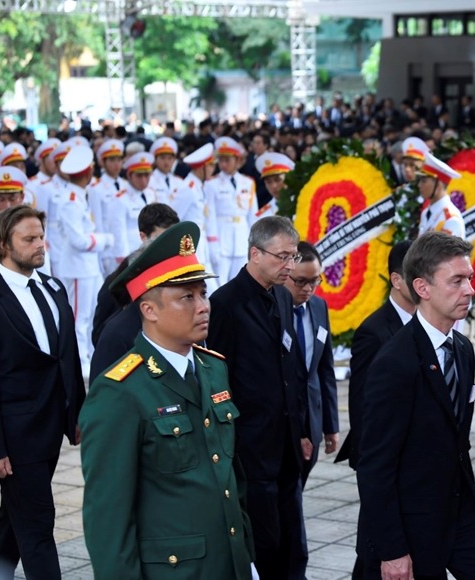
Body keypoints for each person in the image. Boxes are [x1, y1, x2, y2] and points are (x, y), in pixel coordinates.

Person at [79, 221, 258, 579]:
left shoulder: (212, 368)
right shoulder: (119, 390)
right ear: (149, 310)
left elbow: (229, 478)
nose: (203, 306)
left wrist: (246, 560)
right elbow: (108, 517)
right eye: (186, 297)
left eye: (203, 293)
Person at [357, 232, 475, 580]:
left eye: (470, 279)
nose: (469, 289)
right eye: (456, 281)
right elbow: (375, 464)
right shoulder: (394, 362)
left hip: (460, 511)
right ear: (423, 288)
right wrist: (392, 550)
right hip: (410, 523)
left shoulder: (462, 349)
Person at [207, 216, 307, 578]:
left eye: (293, 257)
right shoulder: (225, 304)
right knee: (263, 541)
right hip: (250, 444)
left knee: (293, 540)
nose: (290, 266)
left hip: (286, 445)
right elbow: (218, 380)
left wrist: (302, 428)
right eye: (282, 257)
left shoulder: (282, 295)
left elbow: (290, 366)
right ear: (255, 253)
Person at [0, 205, 85, 579]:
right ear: (2, 244)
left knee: (15, 519)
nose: (39, 245)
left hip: (52, 427)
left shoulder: (52, 286)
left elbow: (68, 356)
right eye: (29, 239)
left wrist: (77, 414)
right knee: (37, 527)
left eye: (41, 237)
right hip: (16, 439)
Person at [335, 240, 414, 579]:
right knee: (375, 545)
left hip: (414, 460)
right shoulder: (374, 331)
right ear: (397, 280)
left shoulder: (434, 322)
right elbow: (363, 409)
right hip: (382, 459)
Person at [89, 203, 180, 381]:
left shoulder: (181, 281)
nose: (168, 248)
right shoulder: (117, 283)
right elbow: (103, 339)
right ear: (143, 237)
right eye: (160, 239)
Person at [281, 241, 339, 485]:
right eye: (300, 281)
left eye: (314, 281)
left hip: (313, 418)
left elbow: (325, 369)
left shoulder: (318, 306)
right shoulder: (273, 310)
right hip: (284, 423)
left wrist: (331, 425)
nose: (308, 288)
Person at [57, 145, 115, 375]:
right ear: (88, 172)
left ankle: (90, 357)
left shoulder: (79, 196)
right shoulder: (70, 199)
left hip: (88, 267)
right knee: (79, 319)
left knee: (91, 316)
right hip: (78, 267)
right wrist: (104, 240)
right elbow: (78, 240)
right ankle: (80, 363)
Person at [204, 136, 258, 284]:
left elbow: (253, 216)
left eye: (227, 160)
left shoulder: (248, 182)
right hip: (222, 239)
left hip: (242, 238)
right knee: (220, 283)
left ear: (237, 160)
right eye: (221, 160)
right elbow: (210, 216)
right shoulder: (211, 184)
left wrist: (254, 242)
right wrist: (213, 243)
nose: (223, 164)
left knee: (241, 283)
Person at [107, 151, 158, 267]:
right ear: (129, 175)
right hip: (131, 254)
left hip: (149, 252)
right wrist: (123, 262)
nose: (144, 180)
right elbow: (118, 231)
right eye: (139, 176)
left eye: (147, 175)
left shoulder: (151, 193)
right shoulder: (120, 199)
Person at [179, 143, 218, 294]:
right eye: (210, 166)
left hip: (200, 243)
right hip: (190, 244)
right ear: (200, 167)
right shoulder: (187, 188)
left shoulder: (198, 186)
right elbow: (174, 218)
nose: (213, 169)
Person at [87, 139, 126, 274]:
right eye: (111, 160)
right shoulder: (96, 188)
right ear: (103, 162)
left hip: (125, 245)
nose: (116, 164)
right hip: (108, 249)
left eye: (119, 160)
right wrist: (102, 253)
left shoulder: (126, 185)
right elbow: (97, 220)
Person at [417, 152, 465, 239]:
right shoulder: (426, 213)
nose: (419, 185)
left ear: (438, 185)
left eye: (424, 181)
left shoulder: (450, 218)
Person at [255, 150, 295, 219]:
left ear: (289, 178)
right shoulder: (263, 216)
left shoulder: (303, 204)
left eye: (278, 180)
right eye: (268, 182)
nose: (273, 186)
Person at [148, 137, 183, 204]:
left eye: (170, 158)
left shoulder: (179, 181)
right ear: (155, 160)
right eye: (162, 158)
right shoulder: (149, 180)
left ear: (174, 160)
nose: (166, 162)